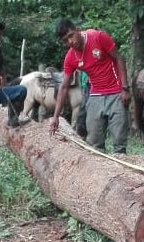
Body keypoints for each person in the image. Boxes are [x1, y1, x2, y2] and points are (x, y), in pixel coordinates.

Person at [49, 20, 130, 154]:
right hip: (95, 96)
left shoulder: (98, 37)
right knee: (95, 145)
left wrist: (125, 88)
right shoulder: (70, 57)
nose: (70, 42)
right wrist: (55, 116)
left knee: (119, 145)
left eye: (71, 36)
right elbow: (64, 87)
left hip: (116, 93)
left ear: (77, 29)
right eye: (65, 40)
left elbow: (119, 58)